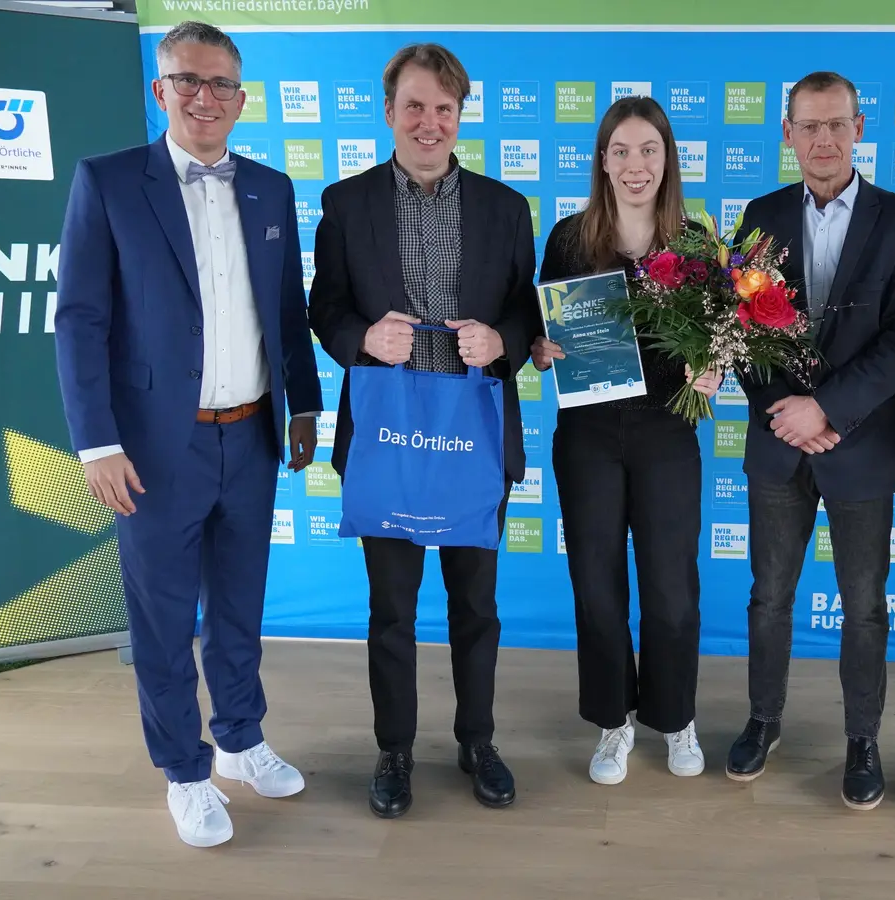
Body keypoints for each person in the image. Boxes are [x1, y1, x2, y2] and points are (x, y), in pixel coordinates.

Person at [53, 20, 322, 848]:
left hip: (250, 439)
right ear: (159, 89)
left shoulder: (271, 189)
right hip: (151, 450)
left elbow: (286, 312)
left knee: (239, 608)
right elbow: (79, 319)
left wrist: (303, 406)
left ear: (242, 99)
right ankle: (185, 770)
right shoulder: (108, 182)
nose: (206, 98)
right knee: (163, 619)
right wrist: (96, 442)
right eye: (189, 81)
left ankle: (240, 739)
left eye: (222, 85)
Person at [306, 42, 541, 820]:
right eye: (414, 105)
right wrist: (363, 339)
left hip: (474, 436)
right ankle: (394, 750)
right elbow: (325, 308)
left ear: (460, 115)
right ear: (388, 112)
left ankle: (478, 741)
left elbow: (526, 312)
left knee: (478, 606)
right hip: (388, 438)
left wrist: (501, 341)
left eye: (444, 107)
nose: (429, 121)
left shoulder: (507, 209)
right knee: (391, 611)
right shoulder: (346, 204)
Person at [724, 71, 895, 810]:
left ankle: (862, 738)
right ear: (787, 133)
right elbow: (739, 333)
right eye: (809, 126)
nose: (823, 140)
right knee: (768, 598)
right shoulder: (758, 216)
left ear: (861, 126)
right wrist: (786, 410)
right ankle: (763, 720)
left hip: (860, 446)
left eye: (837, 125)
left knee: (864, 605)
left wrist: (828, 411)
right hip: (780, 441)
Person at [528, 96, 723, 786]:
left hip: (667, 432)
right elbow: (541, 332)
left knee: (672, 588)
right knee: (597, 583)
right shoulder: (569, 238)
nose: (634, 164)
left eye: (648, 150)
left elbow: (717, 346)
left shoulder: (695, 244)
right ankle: (615, 720)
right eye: (620, 151)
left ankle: (675, 717)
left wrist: (715, 367)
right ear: (602, 162)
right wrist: (542, 349)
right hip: (587, 435)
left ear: (666, 160)